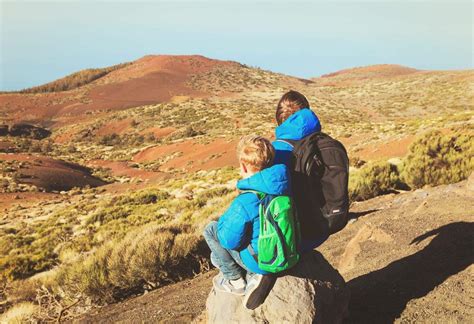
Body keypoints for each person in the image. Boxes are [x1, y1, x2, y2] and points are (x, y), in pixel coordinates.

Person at [203, 135, 291, 308]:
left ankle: (236, 281)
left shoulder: (247, 198)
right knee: (216, 256)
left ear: (243, 166)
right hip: (285, 250)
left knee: (211, 230)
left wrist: (224, 223)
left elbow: (229, 241)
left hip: (261, 259)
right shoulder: (283, 184)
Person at [272, 90, 329, 252]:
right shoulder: (319, 143)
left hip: (290, 239)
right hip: (320, 227)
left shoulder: (274, 152)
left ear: (279, 118)